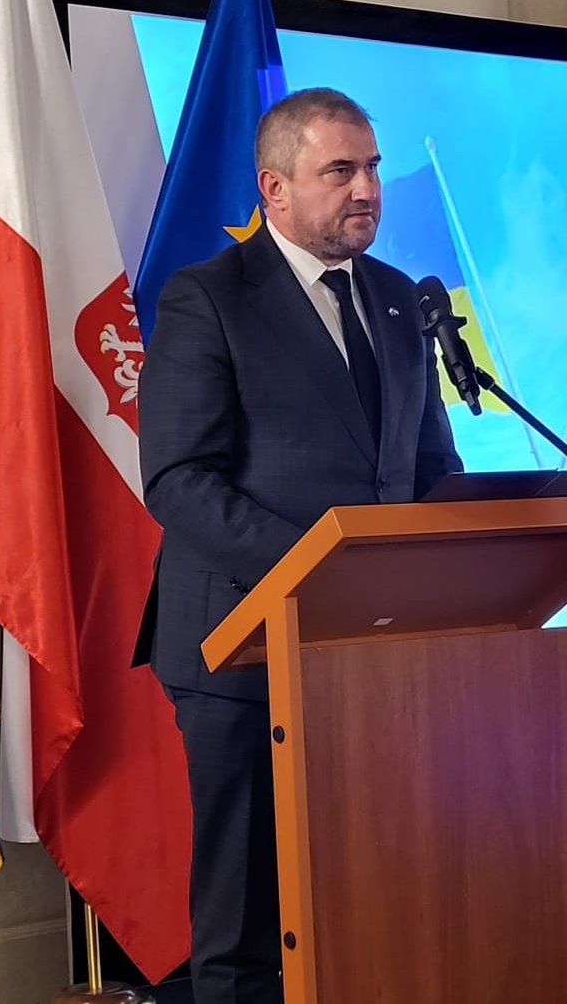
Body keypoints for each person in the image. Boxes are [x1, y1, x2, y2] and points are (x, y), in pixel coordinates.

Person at [134, 87, 463, 1004]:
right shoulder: (209, 297)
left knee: (365, 900)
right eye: (341, 170)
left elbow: (429, 468)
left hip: (369, 653)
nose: (368, 189)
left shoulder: (398, 300)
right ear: (274, 188)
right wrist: (322, 573)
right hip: (241, 648)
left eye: (373, 168)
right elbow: (179, 479)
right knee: (242, 922)